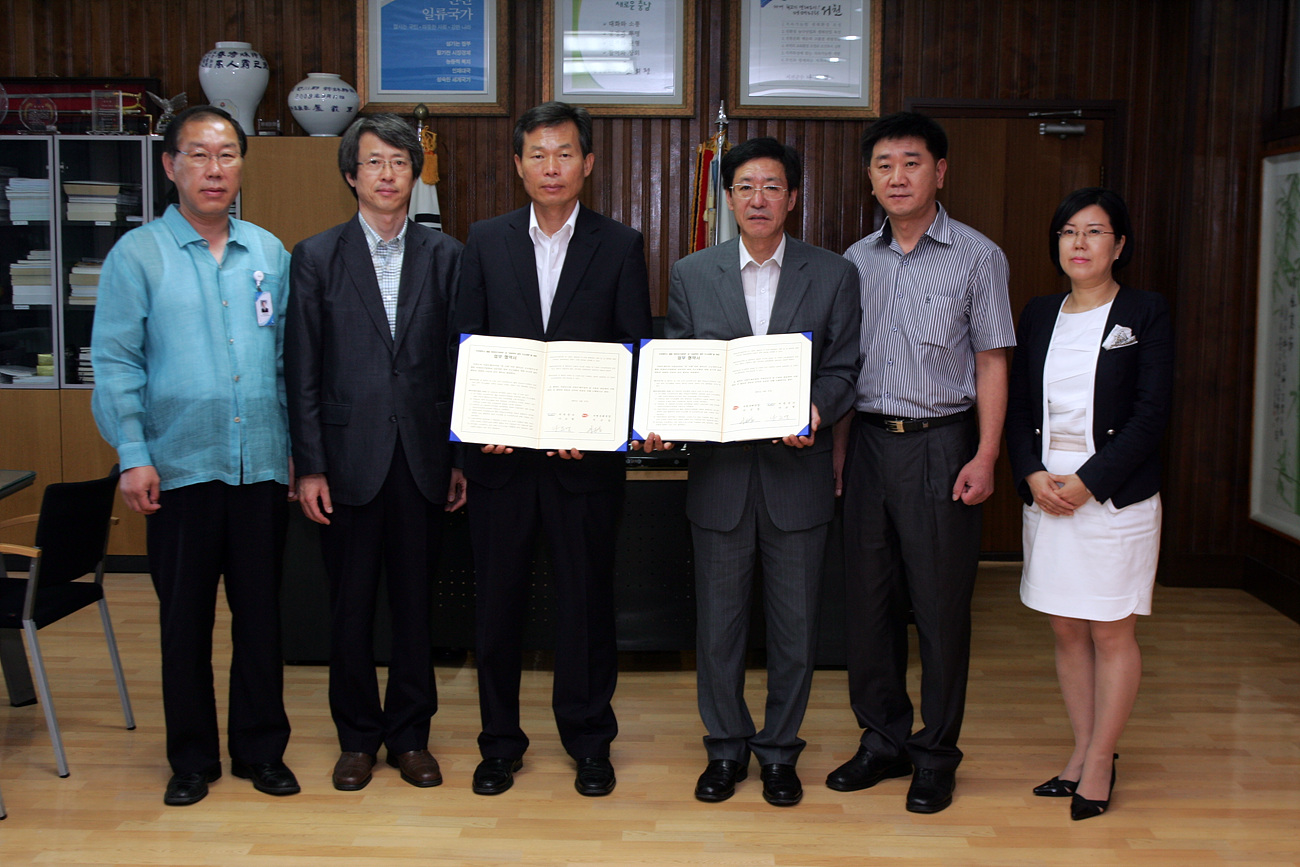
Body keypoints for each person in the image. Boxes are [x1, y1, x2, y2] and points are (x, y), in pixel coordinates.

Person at [640, 137, 861, 807]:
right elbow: (681, 365)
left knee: (796, 631)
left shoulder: (832, 274)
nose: (758, 198)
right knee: (720, 628)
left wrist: (818, 412)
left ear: (793, 198)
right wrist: (662, 415)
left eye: (772, 187)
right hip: (721, 480)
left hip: (798, 476)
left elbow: (845, 367)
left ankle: (779, 752)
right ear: (727, 198)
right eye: (745, 187)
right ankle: (726, 748)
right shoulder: (692, 272)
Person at [91, 105, 298, 806]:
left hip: (261, 464)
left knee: (262, 617)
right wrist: (132, 453)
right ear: (170, 165)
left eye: (228, 155)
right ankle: (191, 758)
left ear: (243, 165)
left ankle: (261, 750)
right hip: (175, 468)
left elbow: (288, 363)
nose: (216, 170)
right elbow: (115, 363)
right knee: (185, 621)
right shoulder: (137, 255)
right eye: (200, 155)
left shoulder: (270, 253)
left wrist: (300, 455)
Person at [454, 101, 652, 797]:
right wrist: (482, 421)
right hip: (501, 465)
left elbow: (631, 353)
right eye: (537, 154)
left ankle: (590, 741)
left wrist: (600, 423)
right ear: (518, 164)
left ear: (588, 163)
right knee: (498, 608)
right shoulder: (484, 239)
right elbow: (468, 345)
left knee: (586, 608)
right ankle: (499, 743)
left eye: (564, 153)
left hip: (584, 466)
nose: (551, 167)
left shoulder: (621, 244)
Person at [829, 111, 1015, 813]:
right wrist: (841, 454)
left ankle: (936, 752)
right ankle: (883, 739)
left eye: (911, 162)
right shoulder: (854, 259)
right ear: (870, 177)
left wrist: (988, 453)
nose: (897, 176)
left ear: (940, 170)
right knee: (867, 605)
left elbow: (993, 360)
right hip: (870, 441)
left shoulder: (977, 255)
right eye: (883, 164)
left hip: (944, 443)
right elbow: (844, 367)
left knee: (939, 609)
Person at [285, 114, 466, 792]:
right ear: (351, 175)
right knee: (350, 608)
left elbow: (459, 369)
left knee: (419, 609)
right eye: (374, 162)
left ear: (415, 176)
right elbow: (300, 372)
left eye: (399, 162)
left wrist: (458, 459)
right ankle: (358, 738)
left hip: (423, 461)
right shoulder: (315, 257)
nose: (388, 174)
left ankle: (412, 736)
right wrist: (309, 466)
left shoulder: (448, 256)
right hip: (345, 464)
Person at [1006, 188, 1173, 821]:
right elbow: (1020, 407)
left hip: (1113, 502)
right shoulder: (1040, 313)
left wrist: (1091, 480)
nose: (1080, 243)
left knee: (1110, 629)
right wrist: (1031, 472)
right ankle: (1080, 750)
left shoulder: (1145, 312)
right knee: (1064, 625)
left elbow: (1151, 413)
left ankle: (1102, 760)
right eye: (1068, 232)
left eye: (1095, 231)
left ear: (1119, 245)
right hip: (1049, 496)